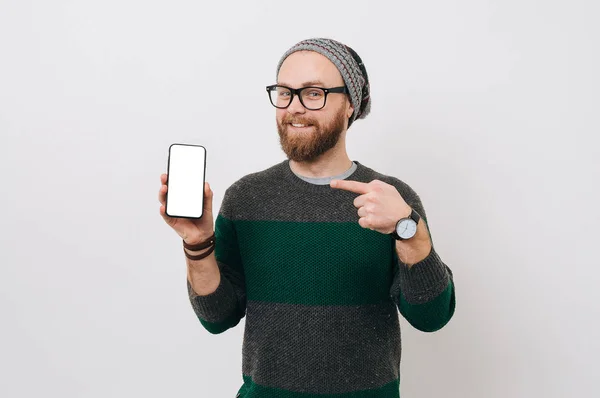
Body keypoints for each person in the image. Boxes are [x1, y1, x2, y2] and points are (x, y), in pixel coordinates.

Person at [158, 37, 456, 398]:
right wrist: (197, 242)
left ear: (351, 104)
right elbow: (217, 317)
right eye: (285, 92)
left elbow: (432, 317)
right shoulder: (246, 198)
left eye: (314, 93)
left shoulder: (390, 200)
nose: (295, 107)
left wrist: (411, 233)